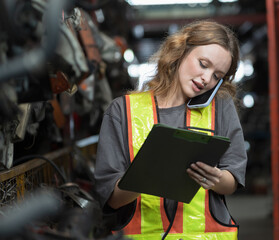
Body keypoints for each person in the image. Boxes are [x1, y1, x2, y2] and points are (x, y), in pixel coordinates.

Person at [94, 20, 248, 240]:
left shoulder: (220, 108)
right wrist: (150, 176)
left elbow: (231, 181)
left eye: (217, 76)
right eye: (204, 64)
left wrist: (216, 178)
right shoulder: (122, 111)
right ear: (180, 51)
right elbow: (111, 199)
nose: (207, 79)